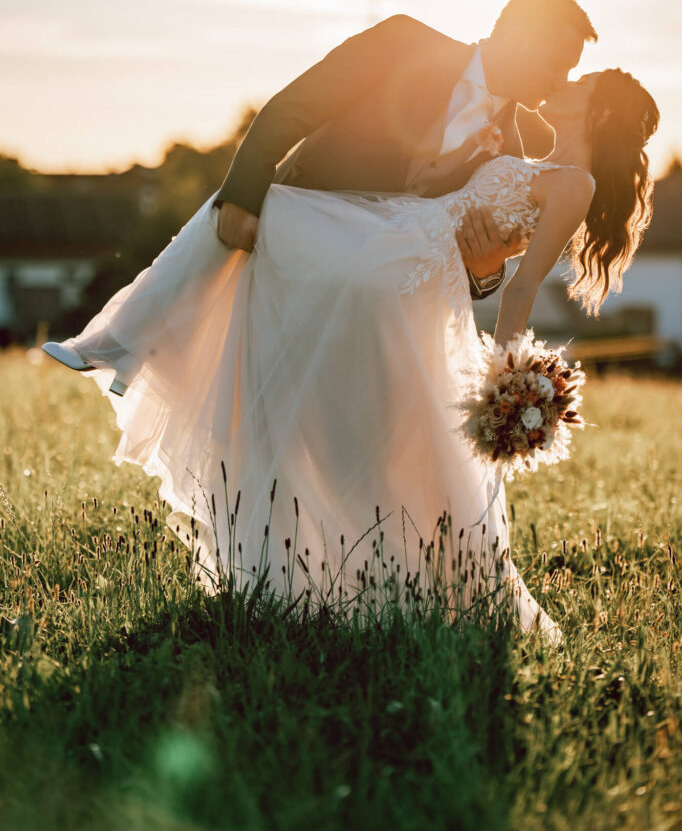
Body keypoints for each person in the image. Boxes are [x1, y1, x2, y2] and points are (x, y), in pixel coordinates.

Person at [42, 59, 659, 647]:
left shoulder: (574, 184)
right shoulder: (522, 153)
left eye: (581, 86)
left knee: (272, 211)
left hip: (404, 269)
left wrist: (503, 374)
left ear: (599, 116)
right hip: (391, 230)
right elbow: (440, 198)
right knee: (260, 217)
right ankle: (139, 345)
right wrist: (471, 163)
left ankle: (125, 340)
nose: (564, 85)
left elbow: (520, 285)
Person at [213, 0, 597, 300]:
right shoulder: (404, 43)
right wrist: (241, 197)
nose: (561, 81)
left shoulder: (509, 157)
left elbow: (451, 269)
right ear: (519, 38)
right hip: (286, 244)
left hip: (364, 308)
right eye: (558, 63)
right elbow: (297, 106)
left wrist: (485, 272)